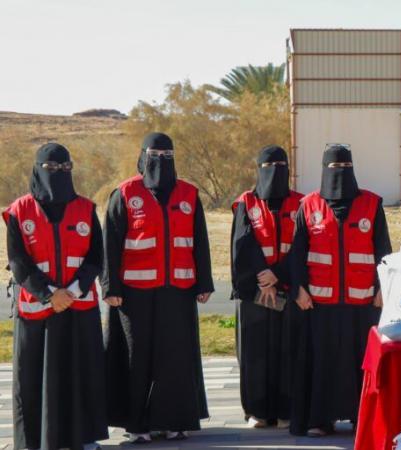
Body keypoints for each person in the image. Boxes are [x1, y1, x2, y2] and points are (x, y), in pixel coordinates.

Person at [102, 132, 213, 443]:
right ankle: (136, 424)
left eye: (167, 156)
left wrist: (204, 281)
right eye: (155, 156)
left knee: (174, 357)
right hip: (133, 293)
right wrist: (110, 286)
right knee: (137, 357)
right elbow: (109, 243)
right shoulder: (124, 193)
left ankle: (174, 421)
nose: (161, 162)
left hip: (178, 290)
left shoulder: (189, 194)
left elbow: (200, 242)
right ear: (143, 157)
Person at [4, 143, 107, 450]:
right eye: (50, 169)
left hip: (78, 306)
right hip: (38, 309)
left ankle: (84, 437)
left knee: (81, 373)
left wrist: (72, 292)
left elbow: (95, 257)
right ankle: (35, 441)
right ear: (37, 169)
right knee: (33, 378)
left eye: (64, 168)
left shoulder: (86, 208)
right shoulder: (18, 211)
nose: (58, 174)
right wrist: (50, 295)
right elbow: (18, 262)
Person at [290, 144, 392, 437]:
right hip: (320, 303)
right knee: (322, 363)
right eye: (334, 168)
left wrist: (382, 288)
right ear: (323, 170)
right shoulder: (308, 206)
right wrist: (298, 290)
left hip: (362, 303)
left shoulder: (371, 204)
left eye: (345, 167)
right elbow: (297, 253)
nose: (340, 173)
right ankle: (320, 420)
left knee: (359, 363)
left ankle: (360, 417)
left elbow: (383, 249)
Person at [231, 145, 308, 430]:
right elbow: (241, 244)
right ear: (258, 168)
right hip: (256, 293)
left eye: (280, 164)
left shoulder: (302, 203)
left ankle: (287, 409)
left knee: (289, 351)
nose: (274, 170)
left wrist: (278, 275)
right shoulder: (246, 203)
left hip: (287, 287)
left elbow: (302, 245)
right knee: (255, 354)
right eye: (268, 165)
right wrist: (262, 276)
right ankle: (258, 411)